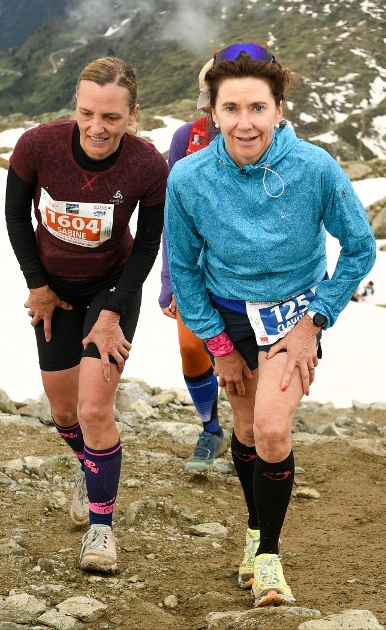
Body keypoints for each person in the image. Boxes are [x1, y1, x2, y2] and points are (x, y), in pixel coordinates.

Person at [165, 43, 376, 608]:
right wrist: (217, 346)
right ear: (212, 113)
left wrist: (315, 321)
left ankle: (269, 557)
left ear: (280, 109)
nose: (244, 122)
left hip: (292, 314)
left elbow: (359, 249)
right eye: (231, 108)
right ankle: (256, 527)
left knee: (275, 431)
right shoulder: (188, 176)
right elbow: (183, 267)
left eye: (257, 107)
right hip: (227, 314)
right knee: (249, 431)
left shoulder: (314, 168)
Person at [4, 57, 168, 574]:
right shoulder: (38, 146)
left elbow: (146, 246)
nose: (97, 128)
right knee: (63, 412)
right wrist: (38, 286)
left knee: (96, 410)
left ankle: (102, 528)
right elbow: (14, 214)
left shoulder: (146, 165)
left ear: (133, 115)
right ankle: (89, 465)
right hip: (51, 287)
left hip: (111, 289)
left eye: (112, 118)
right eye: (87, 114)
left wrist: (114, 311)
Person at [157, 60, 227, 474]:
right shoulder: (187, 138)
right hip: (195, 268)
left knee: (246, 357)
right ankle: (211, 428)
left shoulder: (276, 141)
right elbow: (172, 215)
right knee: (190, 347)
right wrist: (168, 279)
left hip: (249, 272)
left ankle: (254, 438)